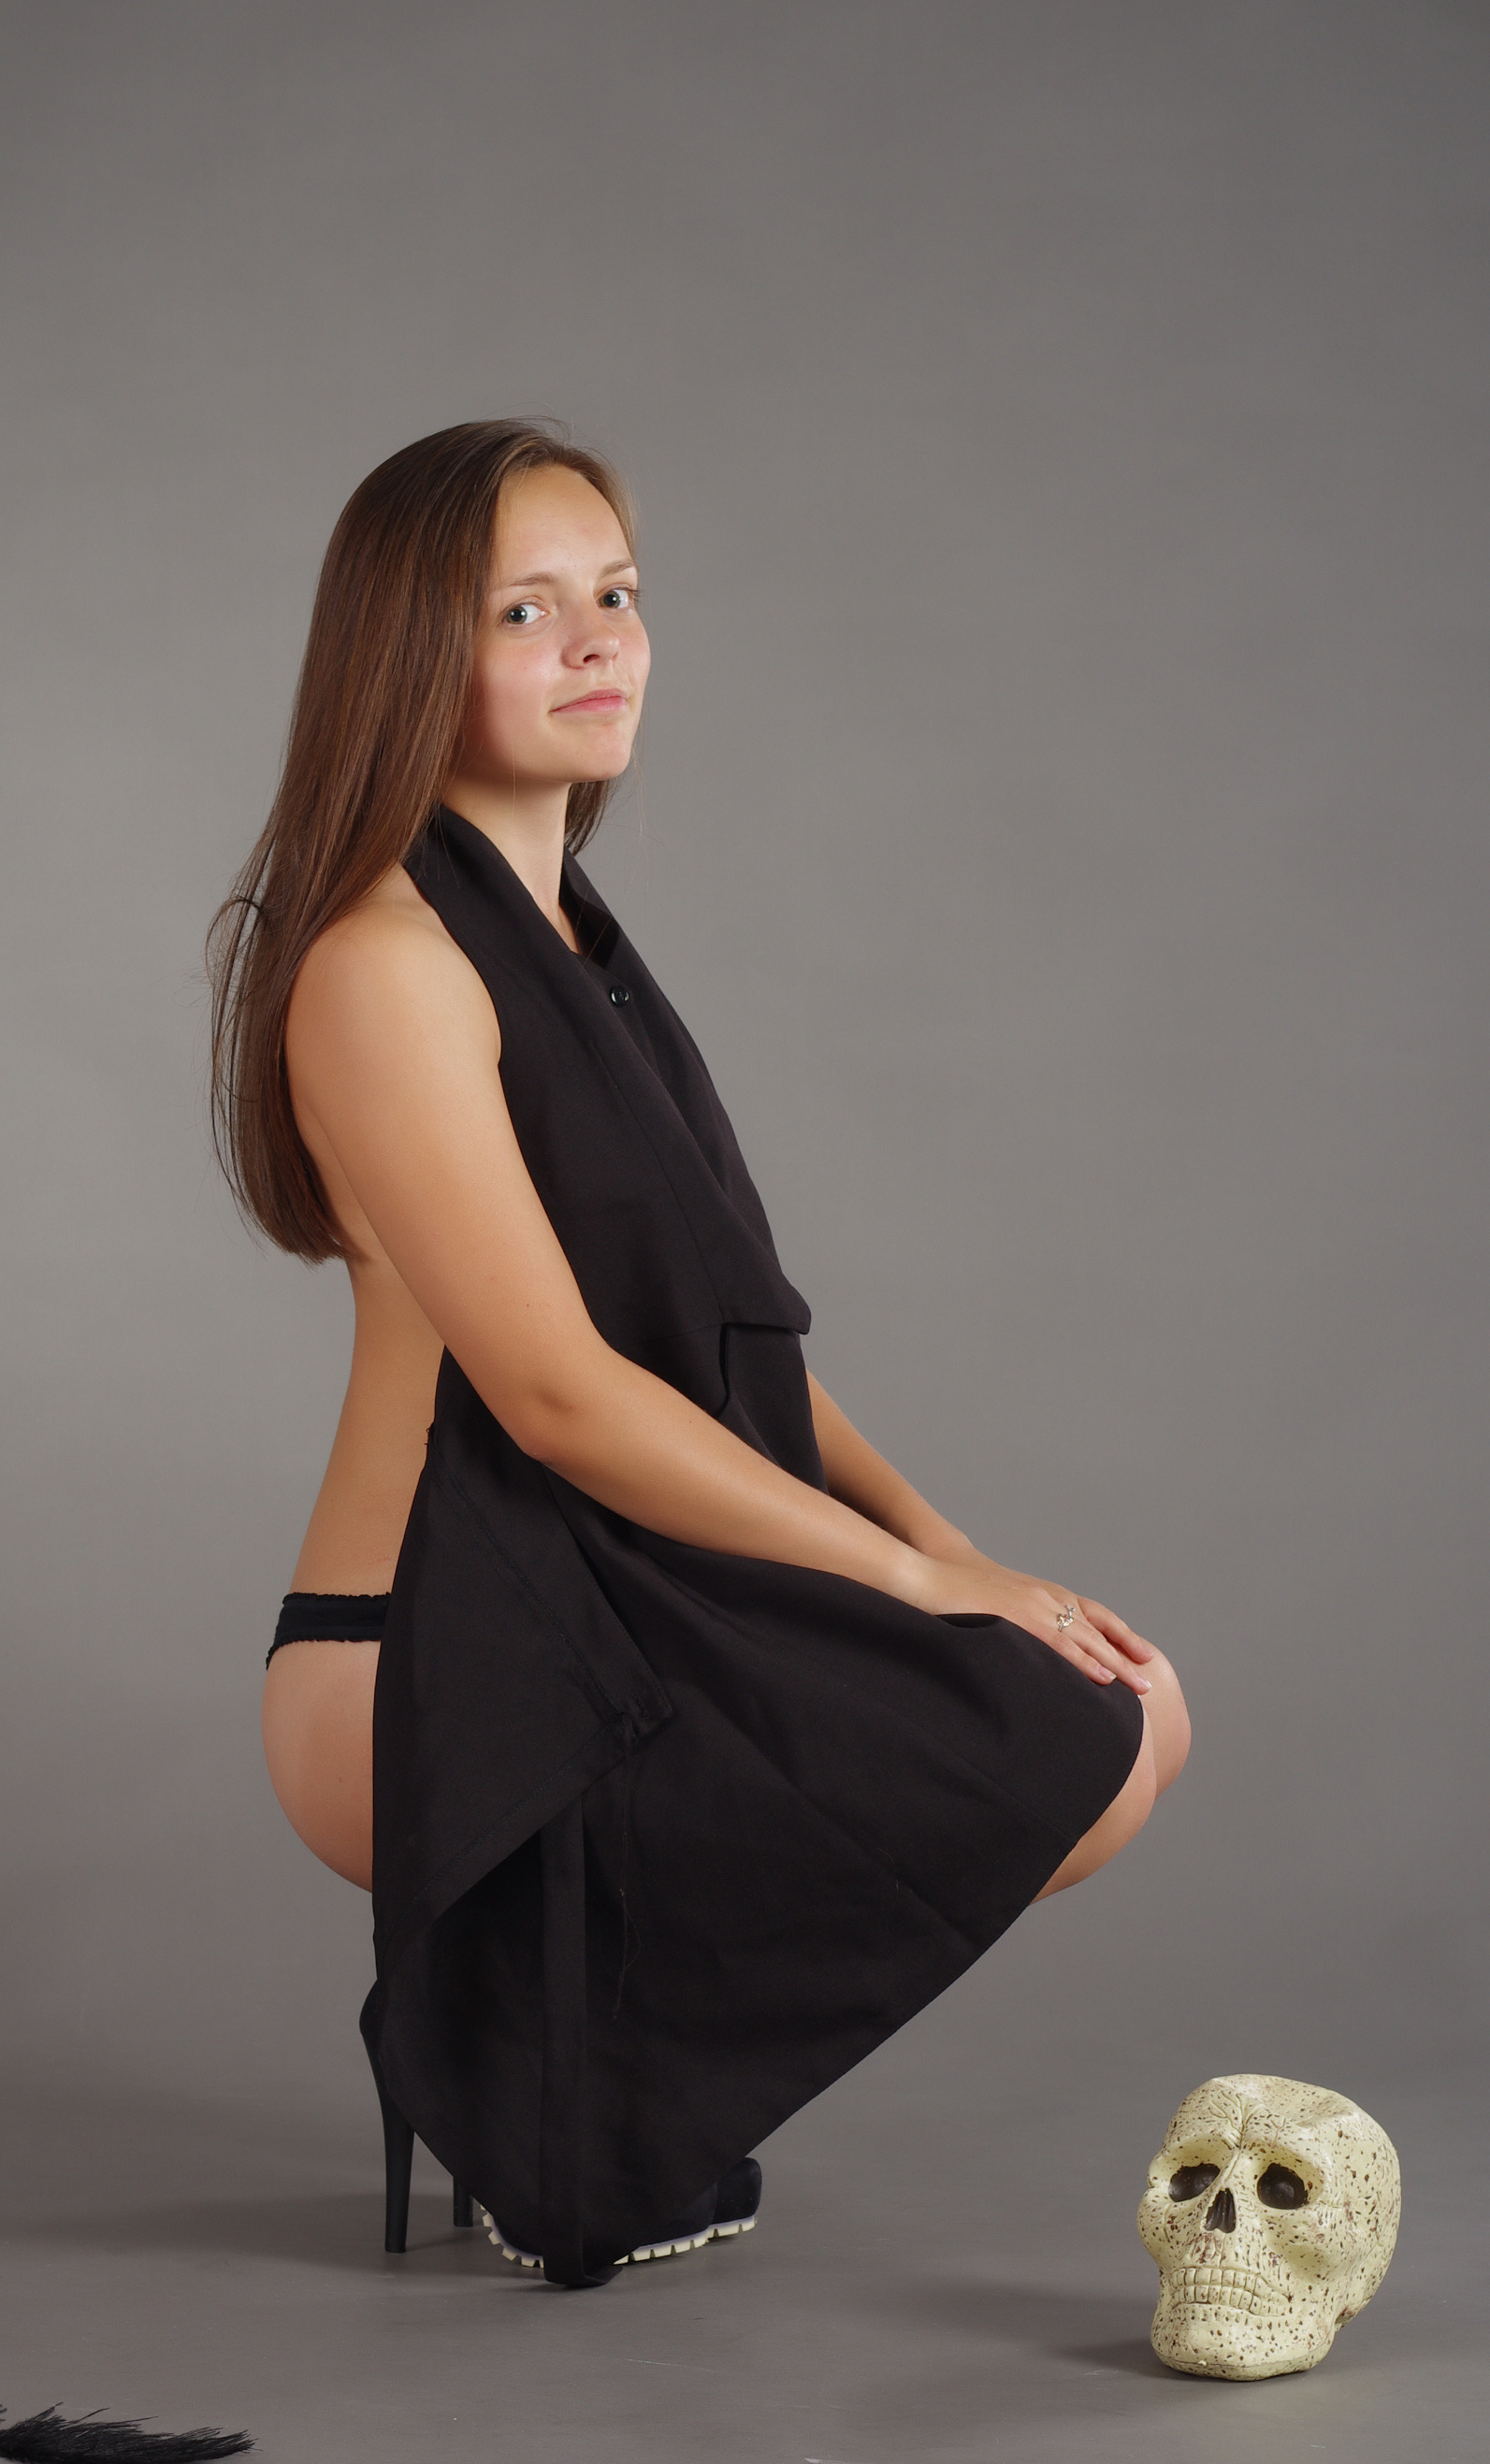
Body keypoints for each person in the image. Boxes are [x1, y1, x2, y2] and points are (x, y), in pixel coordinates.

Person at [210, 420, 1189, 2286]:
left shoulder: (575, 946)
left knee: (1124, 1705)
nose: (600, 641)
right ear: (409, 651)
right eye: (526, 609)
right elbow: (559, 1393)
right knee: (1082, 1737)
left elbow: (728, 1347)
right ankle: (553, 2077)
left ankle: (584, 2067)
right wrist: (912, 1585)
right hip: (425, 1659)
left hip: (611, 1589)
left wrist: (959, 1553)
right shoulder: (388, 962)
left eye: (619, 594)